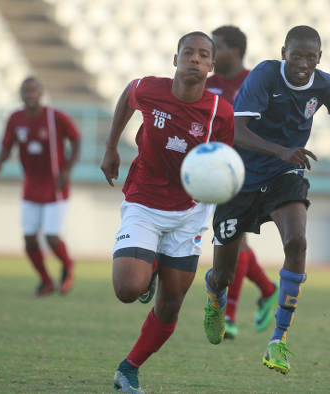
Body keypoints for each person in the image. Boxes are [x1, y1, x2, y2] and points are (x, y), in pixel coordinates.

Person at [202, 25, 330, 375]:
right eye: (296, 55)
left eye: (310, 56)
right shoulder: (265, 76)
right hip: (240, 177)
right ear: (283, 52)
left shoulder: (325, 85)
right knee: (224, 273)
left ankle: (279, 339)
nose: (303, 63)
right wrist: (281, 150)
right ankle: (214, 295)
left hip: (284, 176)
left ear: (319, 58)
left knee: (297, 241)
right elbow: (236, 131)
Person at [100, 31, 234, 394]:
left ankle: (129, 368)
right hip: (144, 202)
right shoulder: (149, 89)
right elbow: (129, 93)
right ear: (175, 59)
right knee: (129, 288)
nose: (194, 58)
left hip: (189, 212)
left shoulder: (220, 112)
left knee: (171, 304)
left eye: (202, 54)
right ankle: (150, 268)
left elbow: (222, 161)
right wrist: (111, 147)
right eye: (187, 52)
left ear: (211, 66)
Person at [206, 25, 278, 339]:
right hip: (210, 170)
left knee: (233, 240)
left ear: (234, 51)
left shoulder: (253, 83)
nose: (209, 54)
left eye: (215, 47)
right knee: (234, 241)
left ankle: (230, 315)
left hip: (244, 171)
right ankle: (266, 288)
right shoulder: (206, 85)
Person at [0, 77, 80, 297]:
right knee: (30, 239)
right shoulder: (15, 119)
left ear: (41, 93)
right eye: (26, 91)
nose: (30, 94)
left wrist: (67, 170)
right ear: (21, 94)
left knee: (51, 237)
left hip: (55, 187)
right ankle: (46, 281)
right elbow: (7, 145)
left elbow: (76, 139)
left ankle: (68, 265)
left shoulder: (55, 117)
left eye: (34, 91)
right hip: (31, 187)